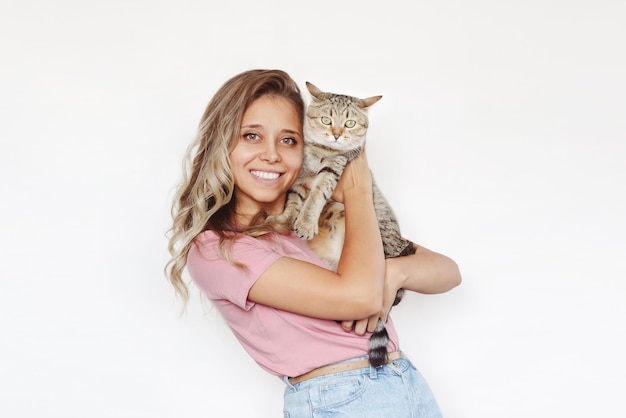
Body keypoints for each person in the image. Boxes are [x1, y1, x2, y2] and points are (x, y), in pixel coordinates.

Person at [165, 69, 461, 417]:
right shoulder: (219, 248)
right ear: (222, 144)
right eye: (251, 136)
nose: (272, 154)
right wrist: (357, 189)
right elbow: (360, 297)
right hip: (341, 398)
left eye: (289, 140)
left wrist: (393, 272)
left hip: (408, 386)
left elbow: (447, 272)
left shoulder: (318, 219)